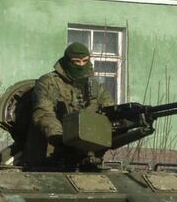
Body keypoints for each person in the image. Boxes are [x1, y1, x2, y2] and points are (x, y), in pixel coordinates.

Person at [24, 41, 112, 170]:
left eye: (85, 61)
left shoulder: (96, 87)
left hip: (88, 158)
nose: (81, 65)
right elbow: (43, 113)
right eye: (77, 61)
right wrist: (60, 138)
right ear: (67, 62)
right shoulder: (49, 83)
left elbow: (109, 114)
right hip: (48, 156)